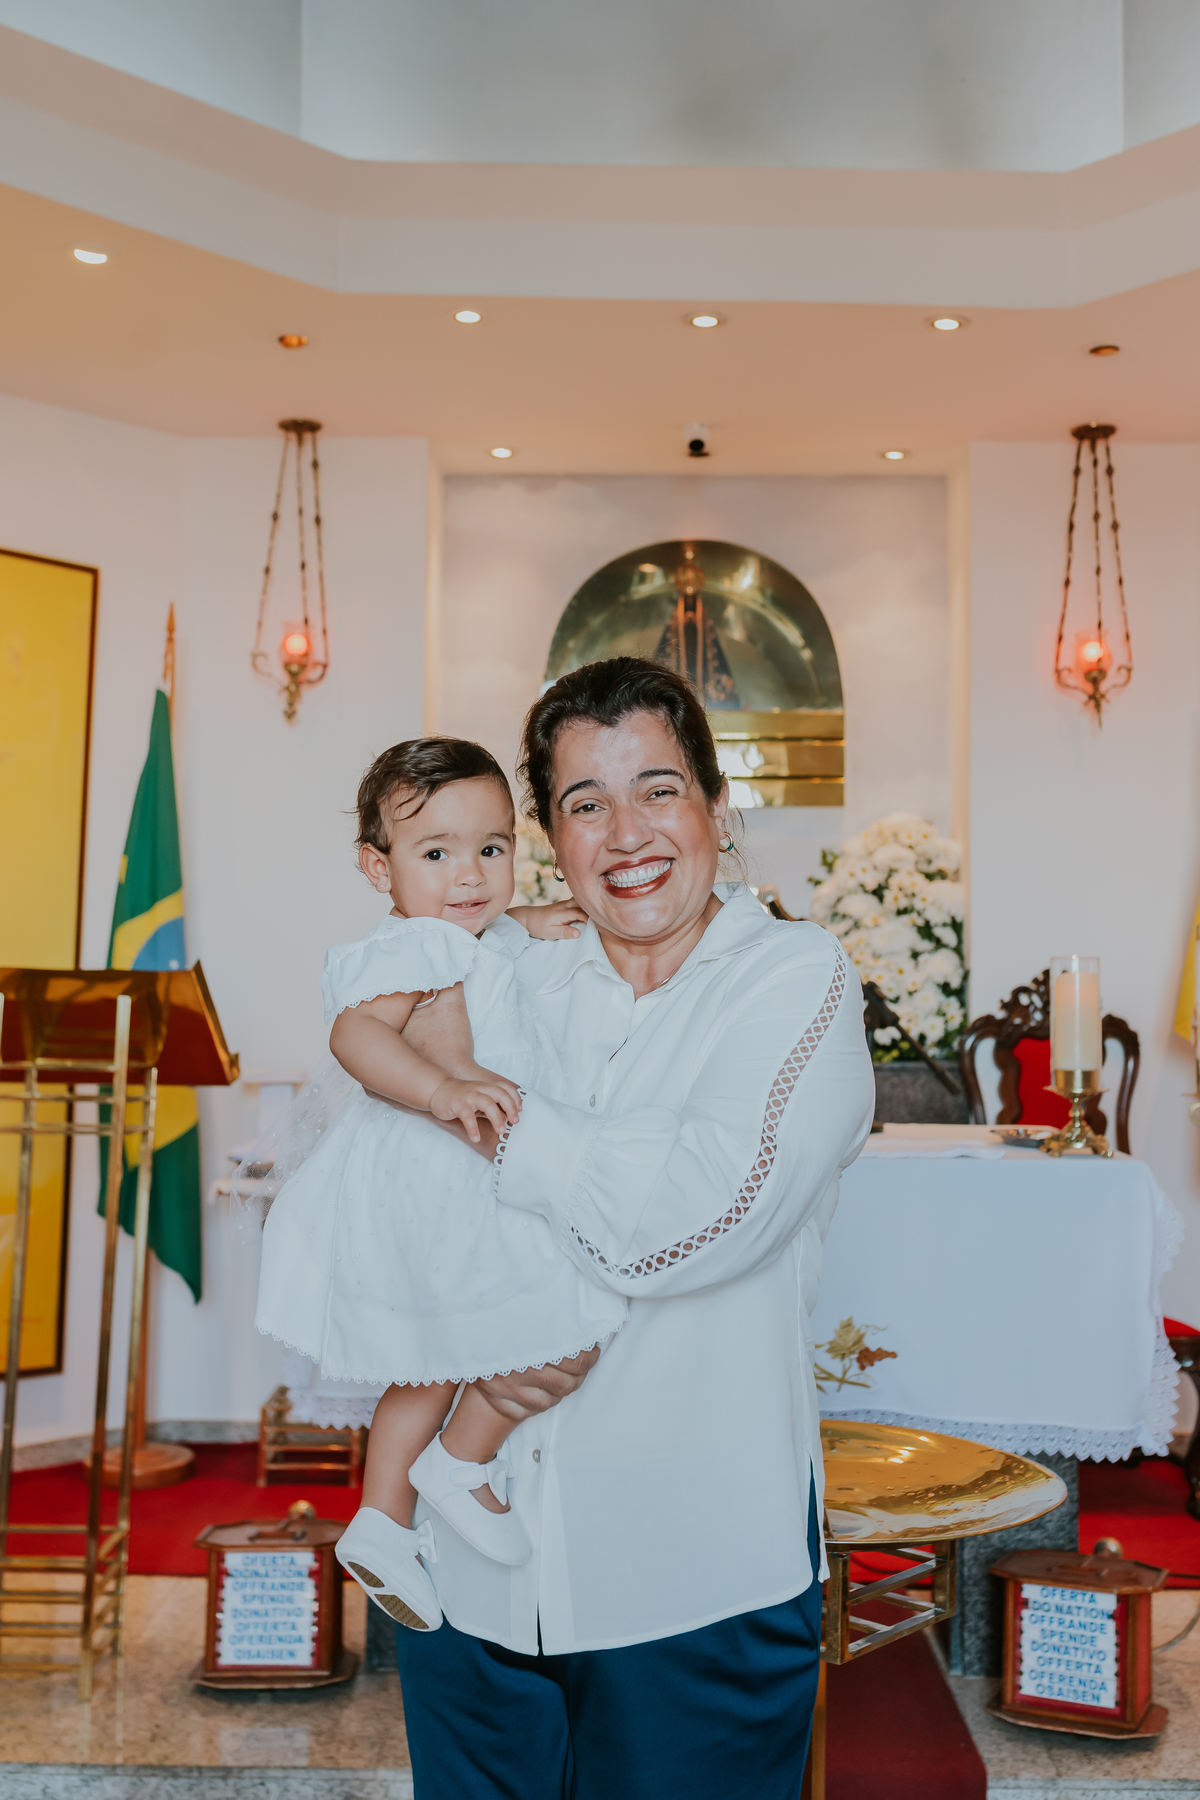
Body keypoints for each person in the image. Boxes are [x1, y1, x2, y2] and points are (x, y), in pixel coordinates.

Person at [393, 656, 875, 1800]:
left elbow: (690, 1223)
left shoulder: (793, 979)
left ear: (717, 806)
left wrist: (481, 1117)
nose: (626, 834)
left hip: (691, 1586)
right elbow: (387, 1193)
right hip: (464, 1580)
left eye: (658, 789)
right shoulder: (496, 975)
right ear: (550, 841)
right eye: (584, 803)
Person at [253, 737, 628, 1632]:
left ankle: (393, 1513)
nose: (470, 874)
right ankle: (433, 1481)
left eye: (491, 849)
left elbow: (485, 936)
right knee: (512, 1334)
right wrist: (440, 1090)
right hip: (432, 1179)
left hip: (464, 1175)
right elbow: (356, 1038)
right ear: (377, 867)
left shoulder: (464, 935)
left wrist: (525, 918)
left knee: (440, 1359)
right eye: (436, 853)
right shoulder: (413, 946)